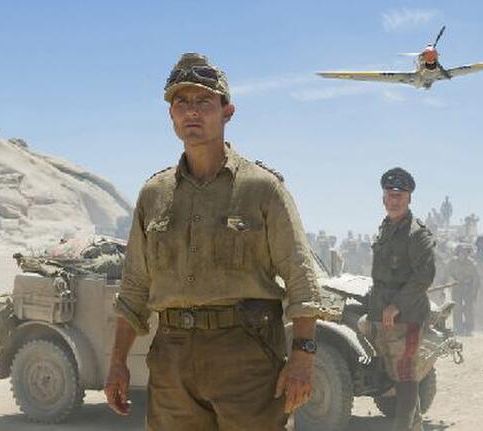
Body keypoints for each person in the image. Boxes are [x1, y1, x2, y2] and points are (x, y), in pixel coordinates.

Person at [104, 53, 322, 430]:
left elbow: (301, 277)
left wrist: (303, 356)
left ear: (227, 111)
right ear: (171, 115)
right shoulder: (153, 194)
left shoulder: (262, 189)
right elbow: (135, 287)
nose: (192, 112)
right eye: (181, 102)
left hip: (247, 357)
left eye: (204, 101)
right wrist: (117, 361)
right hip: (171, 361)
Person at [368, 167, 436, 431]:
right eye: (390, 194)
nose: (394, 200)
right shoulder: (386, 228)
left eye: (400, 195)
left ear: (409, 199)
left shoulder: (416, 234)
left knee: (406, 376)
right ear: (383, 198)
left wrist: (397, 306)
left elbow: (424, 276)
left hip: (407, 317)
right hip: (385, 315)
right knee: (396, 373)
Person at [444, 243, 480, 336]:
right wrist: (443, 288)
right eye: (462, 252)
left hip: (468, 288)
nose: (464, 254)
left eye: (466, 252)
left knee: (468, 309)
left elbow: (476, 279)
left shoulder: (472, 263)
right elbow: (445, 274)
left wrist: (475, 292)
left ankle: (469, 328)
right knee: (457, 308)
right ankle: (458, 328)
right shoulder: (452, 262)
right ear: (458, 252)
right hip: (456, 288)